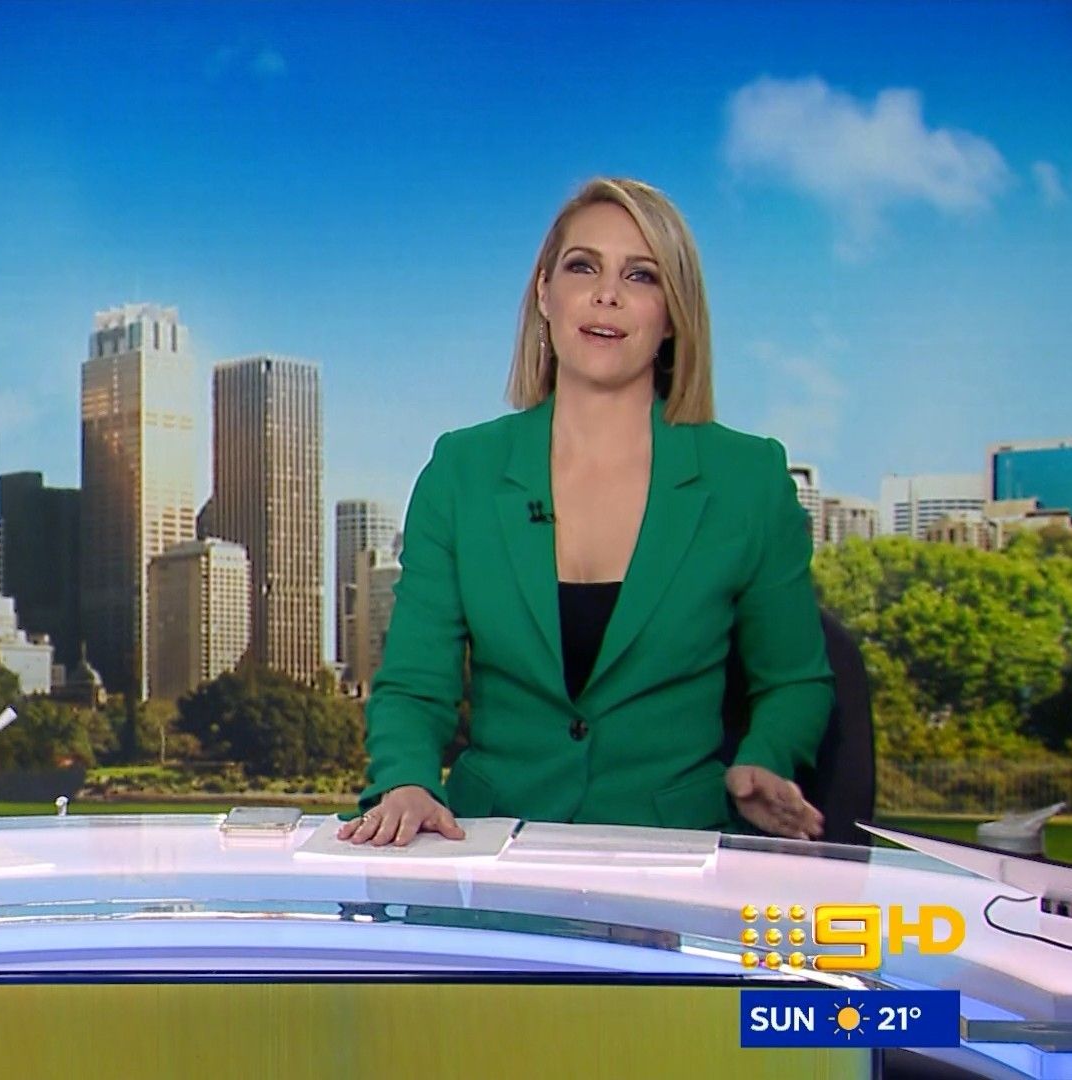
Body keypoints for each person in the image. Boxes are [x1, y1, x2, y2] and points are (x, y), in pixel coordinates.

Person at [341, 178, 832, 848]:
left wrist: (765, 759)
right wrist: (406, 782)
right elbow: (414, 686)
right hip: (492, 845)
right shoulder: (462, 471)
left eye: (641, 275)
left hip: (673, 850)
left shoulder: (747, 479)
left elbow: (796, 681)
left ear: (673, 314)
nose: (607, 294)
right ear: (545, 294)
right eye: (583, 267)